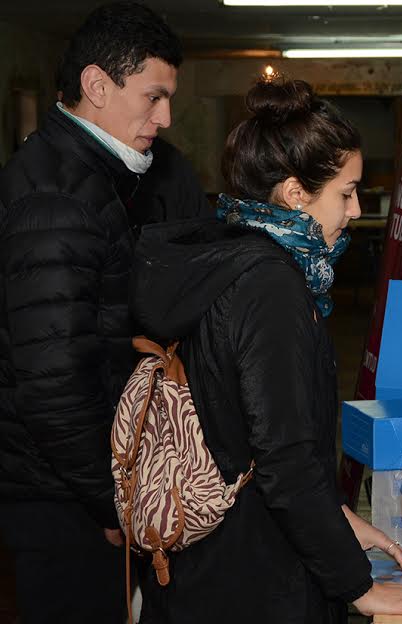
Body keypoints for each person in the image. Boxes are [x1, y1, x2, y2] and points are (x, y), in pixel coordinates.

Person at [131, 79, 402, 623]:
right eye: (346, 192)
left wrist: (337, 517)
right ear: (294, 194)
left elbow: (253, 432)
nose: (355, 210)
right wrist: (358, 587)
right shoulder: (271, 286)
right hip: (253, 579)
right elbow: (284, 459)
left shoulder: (230, 255)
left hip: (217, 564)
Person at [0, 3, 184, 622]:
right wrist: (111, 505)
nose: (165, 117)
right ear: (97, 85)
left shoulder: (83, 177)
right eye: (153, 97)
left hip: (63, 483)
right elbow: (54, 386)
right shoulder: (59, 198)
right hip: (59, 494)